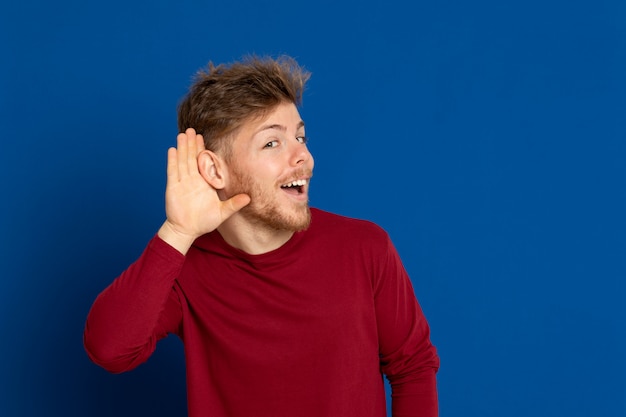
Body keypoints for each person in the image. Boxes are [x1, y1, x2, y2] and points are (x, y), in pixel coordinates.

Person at [83, 55, 440, 417]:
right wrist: (176, 232)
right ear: (214, 170)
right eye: (273, 143)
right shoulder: (183, 271)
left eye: (300, 137)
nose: (304, 156)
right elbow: (110, 350)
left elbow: (413, 366)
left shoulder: (365, 248)